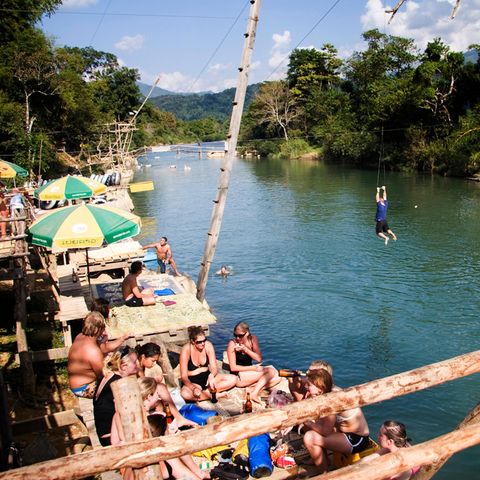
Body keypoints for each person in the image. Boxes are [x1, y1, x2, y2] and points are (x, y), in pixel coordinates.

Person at [111, 377, 206, 480]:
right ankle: (197, 472)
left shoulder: (119, 413)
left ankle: (196, 473)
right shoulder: (148, 417)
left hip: (128, 461)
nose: (159, 397)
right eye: (157, 394)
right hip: (140, 463)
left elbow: (114, 441)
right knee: (173, 445)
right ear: (149, 396)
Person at [303, 369, 370, 473]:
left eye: (309, 385)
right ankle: (320, 458)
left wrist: (307, 422)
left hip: (357, 440)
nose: (306, 387)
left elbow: (326, 432)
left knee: (310, 437)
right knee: (313, 425)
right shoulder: (328, 390)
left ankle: (324, 473)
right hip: (345, 433)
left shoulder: (332, 401)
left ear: (319, 388)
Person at [93, 346, 140, 446]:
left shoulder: (108, 376)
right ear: (123, 366)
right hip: (112, 437)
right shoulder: (120, 383)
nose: (138, 364)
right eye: (135, 362)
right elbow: (122, 413)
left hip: (105, 434)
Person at [226, 321, 280, 404]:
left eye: (240, 336)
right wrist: (253, 368)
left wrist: (245, 349)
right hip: (239, 376)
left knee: (278, 378)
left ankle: (252, 389)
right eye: (235, 335)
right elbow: (233, 368)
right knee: (271, 371)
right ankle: (254, 393)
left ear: (247, 333)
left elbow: (258, 359)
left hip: (250, 374)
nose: (237, 338)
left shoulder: (253, 339)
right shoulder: (232, 344)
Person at [180, 326, 237, 402]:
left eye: (204, 340)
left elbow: (214, 367)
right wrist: (193, 388)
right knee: (185, 394)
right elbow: (184, 376)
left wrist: (211, 375)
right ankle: (212, 395)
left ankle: (206, 393)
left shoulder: (208, 345)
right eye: (199, 342)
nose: (203, 343)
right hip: (194, 382)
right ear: (193, 341)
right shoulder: (186, 350)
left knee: (233, 379)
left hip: (207, 378)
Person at [67, 311, 106, 398]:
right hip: (84, 388)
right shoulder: (93, 351)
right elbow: (103, 375)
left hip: (76, 385)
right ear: (99, 329)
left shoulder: (79, 336)